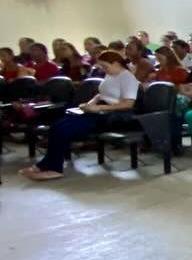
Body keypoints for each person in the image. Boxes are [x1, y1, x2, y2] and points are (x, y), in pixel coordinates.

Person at [22, 50, 140, 181]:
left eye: (105, 66)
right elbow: (101, 94)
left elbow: (128, 104)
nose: (103, 69)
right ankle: (45, 164)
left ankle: (55, 168)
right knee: (57, 126)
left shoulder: (128, 79)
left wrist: (99, 107)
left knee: (64, 129)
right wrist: (89, 104)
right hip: (99, 110)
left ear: (116, 63)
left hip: (113, 115)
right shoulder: (111, 75)